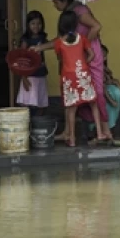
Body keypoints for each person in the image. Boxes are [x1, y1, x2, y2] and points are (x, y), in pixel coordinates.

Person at [33, 9, 111, 147]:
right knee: (93, 104)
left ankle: (72, 139)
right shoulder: (83, 39)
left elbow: (60, 58)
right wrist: (83, 64)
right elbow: (92, 55)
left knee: (71, 109)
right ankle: (100, 133)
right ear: (76, 24)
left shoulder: (59, 43)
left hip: (69, 77)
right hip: (83, 75)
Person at [52, 0, 108, 135]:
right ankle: (70, 132)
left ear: (64, 1)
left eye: (56, 2)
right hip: (79, 58)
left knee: (96, 93)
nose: (54, 5)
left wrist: (82, 47)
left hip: (88, 55)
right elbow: (60, 41)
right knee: (74, 94)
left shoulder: (79, 11)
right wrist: (39, 48)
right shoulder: (69, 13)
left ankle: (104, 130)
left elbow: (97, 26)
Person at [15, 10, 49, 113]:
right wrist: (24, 78)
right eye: (33, 23)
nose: (36, 26)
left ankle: (40, 123)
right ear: (28, 25)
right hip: (30, 76)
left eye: (39, 23)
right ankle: (27, 124)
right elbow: (21, 60)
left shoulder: (42, 38)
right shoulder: (26, 40)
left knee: (41, 101)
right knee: (28, 102)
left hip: (41, 73)